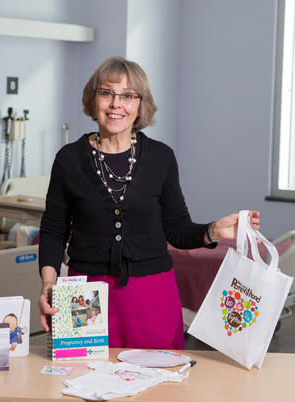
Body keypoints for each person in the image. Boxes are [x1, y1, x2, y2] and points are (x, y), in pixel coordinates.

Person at [38, 56, 260, 349]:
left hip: (152, 295)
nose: (117, 104)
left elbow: (177, 229)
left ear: (140, 104)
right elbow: (53, 229)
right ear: (94, 100)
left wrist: (213, 231)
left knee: (161, 386)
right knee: (81, 382)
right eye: (107, 93)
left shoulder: (161, 158)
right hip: (83, 293)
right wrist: (48, 284)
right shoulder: (68, 159)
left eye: (128, 96)